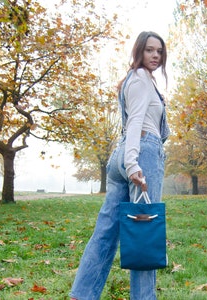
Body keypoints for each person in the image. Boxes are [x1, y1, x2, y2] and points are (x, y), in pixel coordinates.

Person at [69, 31, 170, 300]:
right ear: (139, 51)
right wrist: (134, 164)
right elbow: (136, 122)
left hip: (122, 157)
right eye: (149, 50)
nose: (155, 56)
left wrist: (127, 159)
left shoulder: (136, 79)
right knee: (144, 234)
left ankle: (82, 295)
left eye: (159, 51)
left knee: (106, 231)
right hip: (140, 155)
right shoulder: (140, 79)